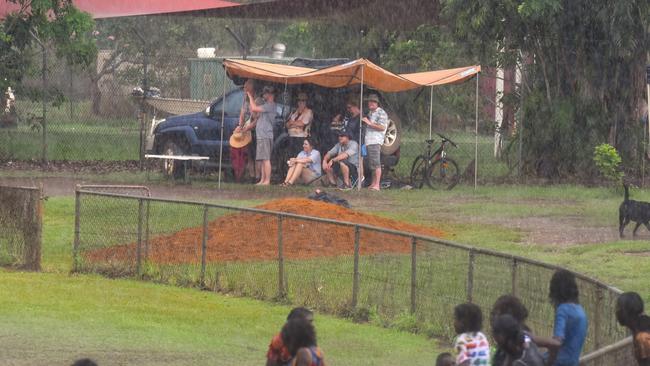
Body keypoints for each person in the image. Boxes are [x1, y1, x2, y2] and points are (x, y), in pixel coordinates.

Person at [489, 295, 558, 366]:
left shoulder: (524, 337)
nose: (492, 317)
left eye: (496, 314)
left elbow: (554, 344)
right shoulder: (509, 341)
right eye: (492, 313)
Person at [546, 269, 588, 366]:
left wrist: (549, 362)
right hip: (573, 361)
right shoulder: (581, 310)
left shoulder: (563, 310)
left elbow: (557, 342)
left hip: (560, 361)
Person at [244, 85, 276, 185]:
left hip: (266, 135)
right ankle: (262, 179)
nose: (264, 95)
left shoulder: (270, 105)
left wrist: (250, 96)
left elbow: (254, 107)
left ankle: (267, 180)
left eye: (266, 93)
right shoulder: (266, 105)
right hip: (261, 135)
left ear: (271, 95)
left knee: (266, 159)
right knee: (262, 159)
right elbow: (255, 113)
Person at [231, 80, 257, 182]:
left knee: (254, 155)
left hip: (254, 131)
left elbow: (256, 117)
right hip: (245, 130)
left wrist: (248, 127)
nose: (244, 90)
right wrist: (240, 126)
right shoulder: (245, 100)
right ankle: (249, 175)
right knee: (248, 155)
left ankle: (256, 176)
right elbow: (242, 113)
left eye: (246, 88)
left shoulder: (257, 100)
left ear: (251, 89)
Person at [361, 93, 388, 191]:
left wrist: (369, 123)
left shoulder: (381, 113)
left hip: (375, 140)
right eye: (369, 101)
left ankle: (377, 185)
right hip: (369, 141)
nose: (371, 103)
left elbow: (382, 127)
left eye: (373, 101)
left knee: (376, 163)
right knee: (372, 163)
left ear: (377, 103)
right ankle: (373, 183)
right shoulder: (370, 113)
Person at [615, 292, 650, 365]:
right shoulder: (642, 325)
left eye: (618, 308)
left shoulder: (642, 337)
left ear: (625, 312)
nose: (616, 312)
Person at [286, 92, 314, 157]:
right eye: (299, 100)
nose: (301, 102)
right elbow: (287, 124)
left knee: (298, 156)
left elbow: (302, 124)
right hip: (291, 137)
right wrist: (296, 123)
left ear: (306, 102)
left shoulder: (309, 111)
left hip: (301, 138)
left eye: (303, 100)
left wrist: (292, 123)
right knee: (290, 156)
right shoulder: (294, 111)